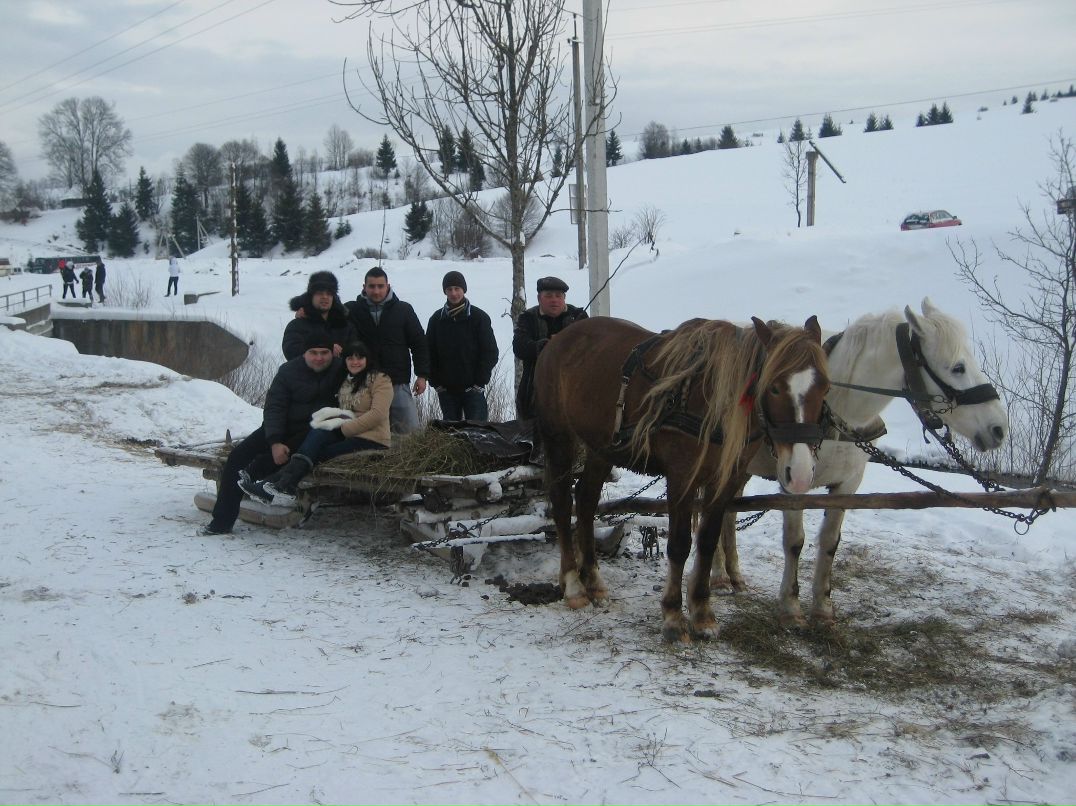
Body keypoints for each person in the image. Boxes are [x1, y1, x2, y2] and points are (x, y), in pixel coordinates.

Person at [199, 332, 342, 536]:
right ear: (305, 353)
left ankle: (255, 475)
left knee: (298, 447)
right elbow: (274, 408)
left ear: (332, 353)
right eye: (313, 353)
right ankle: (221, 521)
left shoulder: (340, 369)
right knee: (236, 458)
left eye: (324, 353)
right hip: (281, 426)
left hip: (313, 430)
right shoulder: (288, 371)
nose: (319, 358)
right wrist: (274, 441)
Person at [240, 340, 392, 506]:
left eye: (360, 358)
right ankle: (277, 486)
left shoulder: (380, 379)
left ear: (367, 359)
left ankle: (276, 485)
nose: (355, 362)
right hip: (349, 434)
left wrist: (343, 430)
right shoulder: (347, 381)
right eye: (350, 358)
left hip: (373, 438)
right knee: (316, 435)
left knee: (318, 453)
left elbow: (378, 414)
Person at [345, 266, 429, 434]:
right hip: (364, 384)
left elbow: (419, 343)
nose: (376, 291)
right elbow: (324, 315)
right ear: (364, 287)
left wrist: (422, 375)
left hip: (397, 382)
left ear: (388, 286)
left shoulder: (404, 310)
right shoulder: (351, 310)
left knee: (410, 434)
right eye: (372, 286)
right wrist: (304, 312)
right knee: (368, 437)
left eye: (380, 286)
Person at [512, 276, 589, 419]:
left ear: (564, 298)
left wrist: (565, 344)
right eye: (548, 296)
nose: (554, 300)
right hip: (535, 393)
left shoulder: (579, 316)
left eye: (558, 296)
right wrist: (544, 346)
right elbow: (519, 347)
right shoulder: (527, 318)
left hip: (574, 392)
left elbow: (590, 349)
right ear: (539, 298)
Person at [426, 270, 499, 421]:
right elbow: (428, 352)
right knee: (451, 436)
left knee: (479, 434)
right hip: (446, 391)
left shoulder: (479, 318)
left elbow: (490, 352)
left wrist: (479, 382)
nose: (453, 293)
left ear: (464, 290)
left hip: (473, 390)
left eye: (457, 289)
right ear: (445, 291)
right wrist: (436, 383)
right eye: (449, 289)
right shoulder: (436, 319)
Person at [282, 271, 356, 360]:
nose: (325, 297)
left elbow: (356, 353)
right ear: (311, 296)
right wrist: (327, 348)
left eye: (329, 293)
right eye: (320, 293)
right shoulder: (297, 325)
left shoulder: (345, 326)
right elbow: (291, 352)